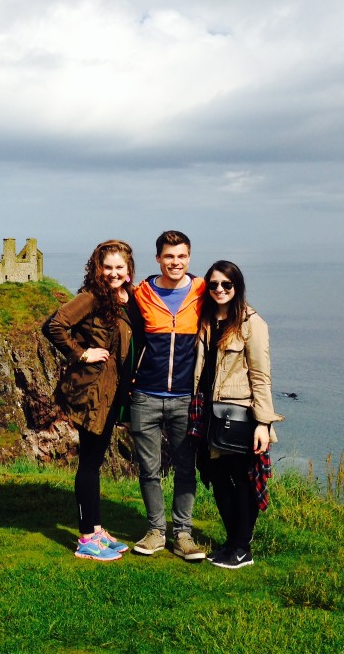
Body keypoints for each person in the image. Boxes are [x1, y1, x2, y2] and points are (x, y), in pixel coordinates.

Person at [43, 240, 142, 561]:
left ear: (128, 270)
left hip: (115, 391)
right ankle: (86, 539)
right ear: (97, 269)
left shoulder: (128, 297)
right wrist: (81, 353)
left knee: (96, 460)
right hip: (95, 390)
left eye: (119, 267)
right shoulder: (91, 297)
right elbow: (54, 326)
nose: (113, 273)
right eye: (107, 267)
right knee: (89, 462)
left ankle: (96, 529)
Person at [192, 260, 283, 569]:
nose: (219, 290)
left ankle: (242, 548)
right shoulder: (205, 318)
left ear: (237, 287)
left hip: (239, 414)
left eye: (226, 285)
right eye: (214, 284)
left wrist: (263, 422)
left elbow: (261, 376)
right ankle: (234, 542)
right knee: (217, 477)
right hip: (208, 412)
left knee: (243, 480)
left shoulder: (251, 323)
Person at [130, 230, 208, 561]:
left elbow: (235, 309)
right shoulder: (141, 293)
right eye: (169, 256)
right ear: (158, 258)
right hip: (145, 395)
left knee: (185, 468)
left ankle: (183, 534)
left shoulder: (204, 290)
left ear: (189, 257)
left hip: (184, 398)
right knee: (149, 468)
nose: (175, 262)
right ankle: (155, 532)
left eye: (181, 256)